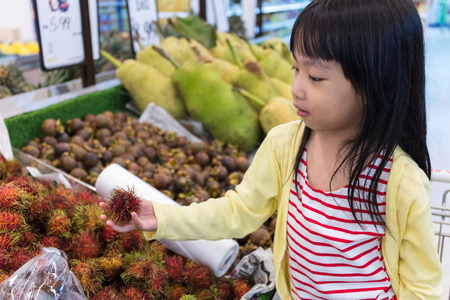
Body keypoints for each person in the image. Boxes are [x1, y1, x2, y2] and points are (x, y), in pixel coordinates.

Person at [100, 0, 443, 298]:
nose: (295, 88)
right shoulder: (285, 145)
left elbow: (422, 286)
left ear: (376, 82)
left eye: (316, 78)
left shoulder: (399, 182)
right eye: (296, 69)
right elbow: (237, 212)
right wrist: (160, 216)